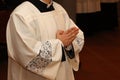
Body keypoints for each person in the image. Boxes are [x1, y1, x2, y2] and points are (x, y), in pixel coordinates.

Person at [6, 0, 84, 80]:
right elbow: (27, 54)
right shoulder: (20, 15)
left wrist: (69, 45)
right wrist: (59, 44)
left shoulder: (59, 9)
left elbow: (77, 37)